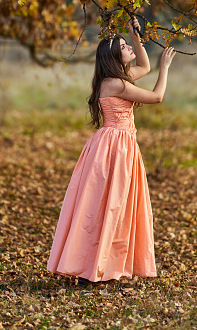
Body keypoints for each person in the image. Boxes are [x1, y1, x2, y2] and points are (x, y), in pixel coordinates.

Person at [47, 17, 176, 286]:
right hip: (114, 148)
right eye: (124, 45)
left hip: (119, 145)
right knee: (105, 205)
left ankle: (102, 265)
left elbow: (144, 65)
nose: (129, 47)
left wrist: (135, 34)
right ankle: (91, 268)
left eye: (127, 44)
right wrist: (165, 69)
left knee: (113, 206)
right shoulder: (116, 84)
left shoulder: (117, 79)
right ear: (113, 56)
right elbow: (157, 97)